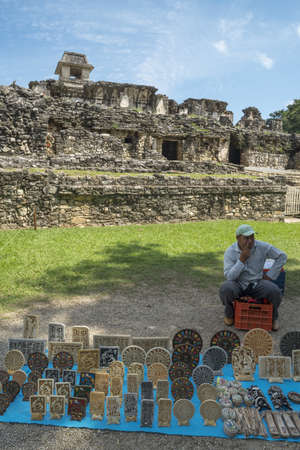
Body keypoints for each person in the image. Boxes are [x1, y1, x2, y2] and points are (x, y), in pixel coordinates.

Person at [219, 224, 287, 331]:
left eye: (252, 237)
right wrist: (241, 260)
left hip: (257, 283)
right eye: (246, 238)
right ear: (238, 238)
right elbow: (229, 277)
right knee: (225, 288)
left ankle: (273, 318)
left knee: (275, 291)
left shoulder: (262, 247)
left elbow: (282, 256)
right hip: (238, 284)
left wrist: (269, 275)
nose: (250, 241)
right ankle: (229, 314)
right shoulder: (230, 251)